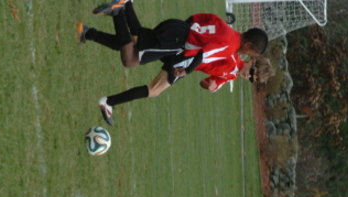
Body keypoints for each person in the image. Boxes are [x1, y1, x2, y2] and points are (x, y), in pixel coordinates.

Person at [76, 0, 269, 125]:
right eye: (253, 72)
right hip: (180, 51)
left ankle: (92, 29)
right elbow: (203, 55)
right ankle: (118, 12)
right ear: (250, 50)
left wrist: (208, 83)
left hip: (180, 44)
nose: (249, 77)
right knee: (131, 58)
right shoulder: (231, 49)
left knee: (136, 44)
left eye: (252, 79)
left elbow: (199, 18)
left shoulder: (227, 31)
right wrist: (187, 68)